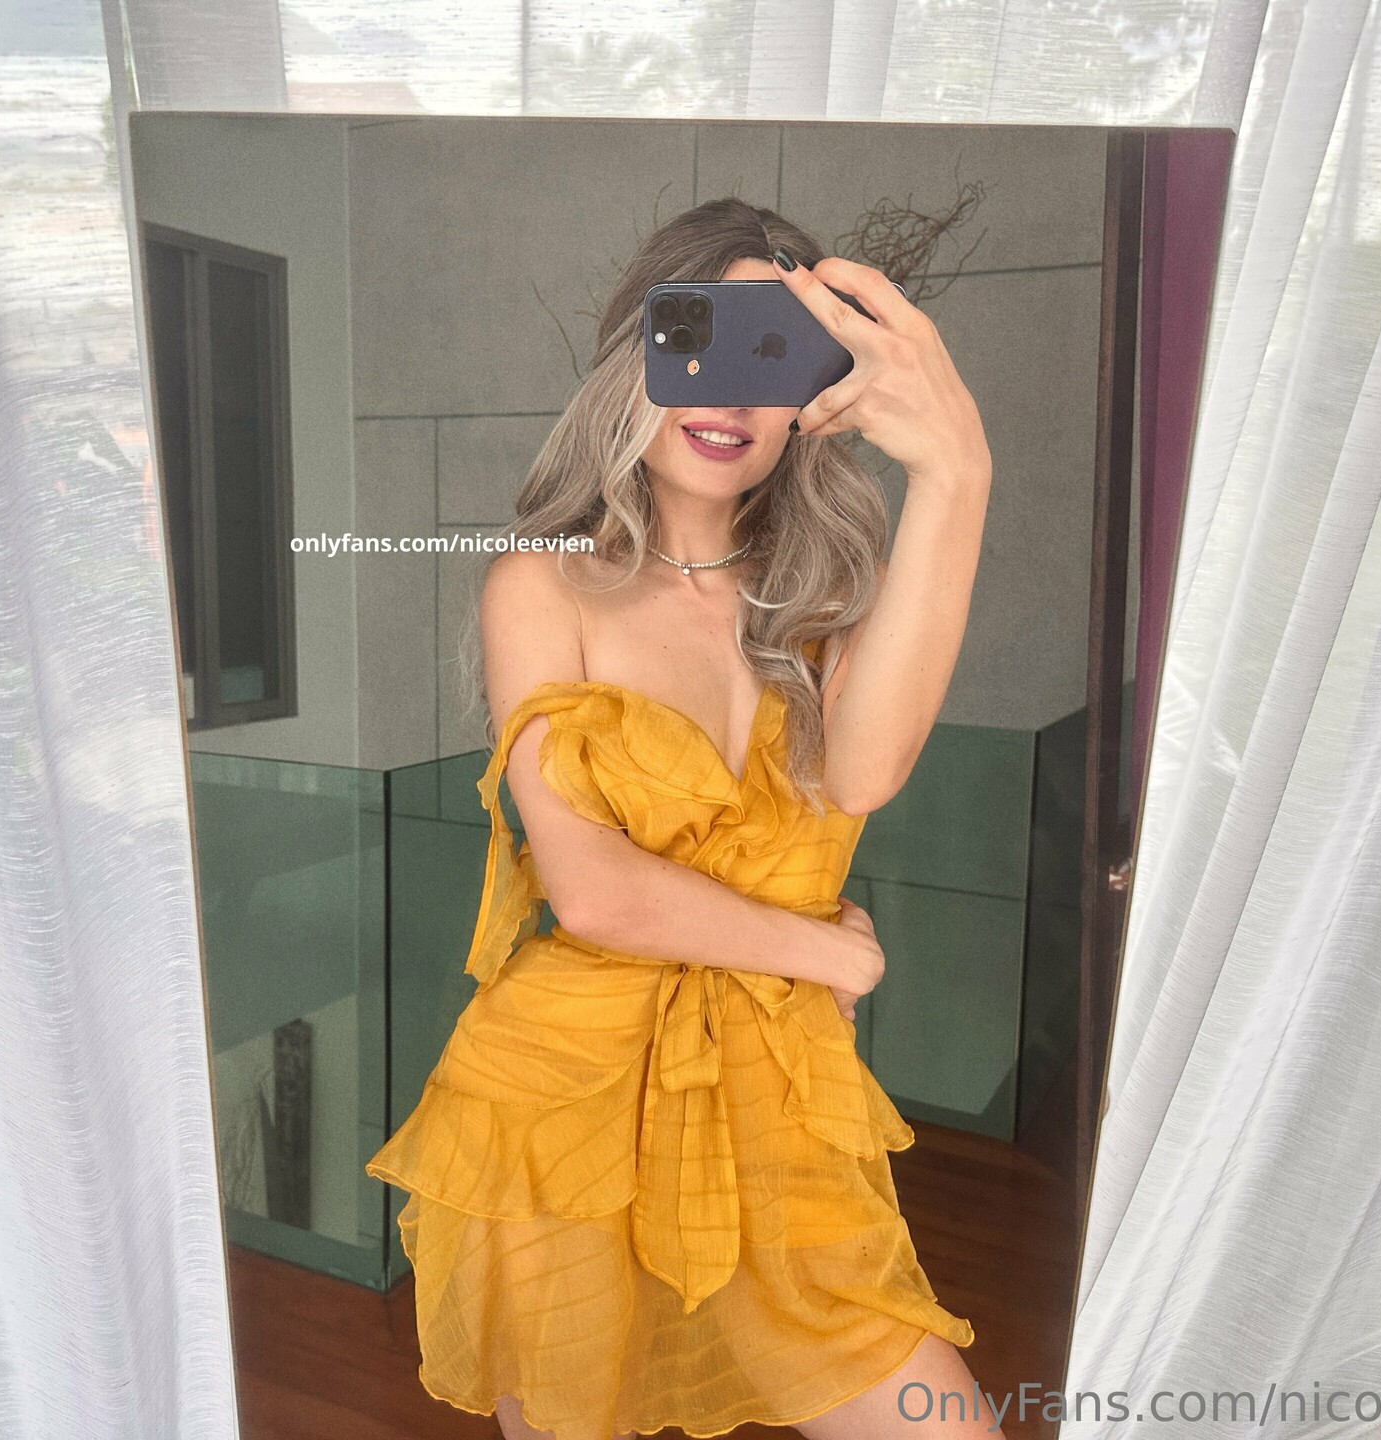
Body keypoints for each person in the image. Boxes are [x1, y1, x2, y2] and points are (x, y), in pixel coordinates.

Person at [366, 196, 1001, 1440]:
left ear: (817, 399)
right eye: (702, 338)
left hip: (776, 1088)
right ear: (637, 354)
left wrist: (956, 469)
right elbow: (593, 890)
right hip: (562, 1099)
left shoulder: (827, 595)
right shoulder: (542, 585)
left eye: (781, 357)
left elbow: (864, 774)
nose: (735, 395)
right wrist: (828, 952)